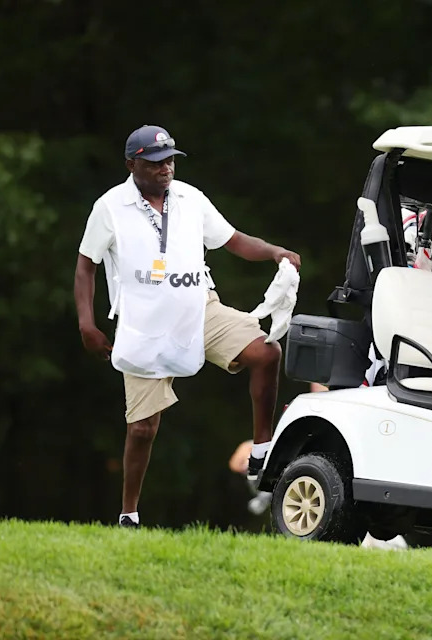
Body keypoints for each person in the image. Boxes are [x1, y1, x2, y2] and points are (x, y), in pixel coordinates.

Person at [74, 125, 301, 528]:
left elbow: (233, 240)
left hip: (199, 306)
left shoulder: (190, 198)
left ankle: (261, 450)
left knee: (266, 351)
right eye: (156, 162)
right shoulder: (110, 206)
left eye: (171, 160)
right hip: (143, 322)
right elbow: (85, 265)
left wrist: (274, 252)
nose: (166, 168)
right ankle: (129, 514)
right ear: (132, 164)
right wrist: (87, 324)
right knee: (143, 428)